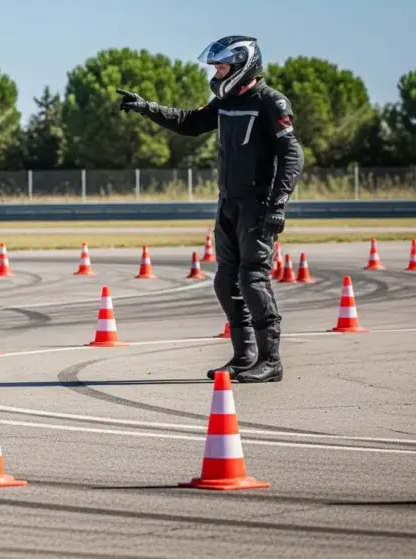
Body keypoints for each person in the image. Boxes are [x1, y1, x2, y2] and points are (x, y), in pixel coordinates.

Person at [116, 35, 304, 383]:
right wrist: (148, 108)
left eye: (222, 67)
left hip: (258, 204)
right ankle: (244, 356)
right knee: (225, 281)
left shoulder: (271, 102)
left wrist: (278, 204)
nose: (217, 73)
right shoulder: (226, 102)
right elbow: (190, 122)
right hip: (227, 202)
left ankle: (271, 360)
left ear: (243, 65)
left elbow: (292, 155)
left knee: (253, 280)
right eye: (216, 68)